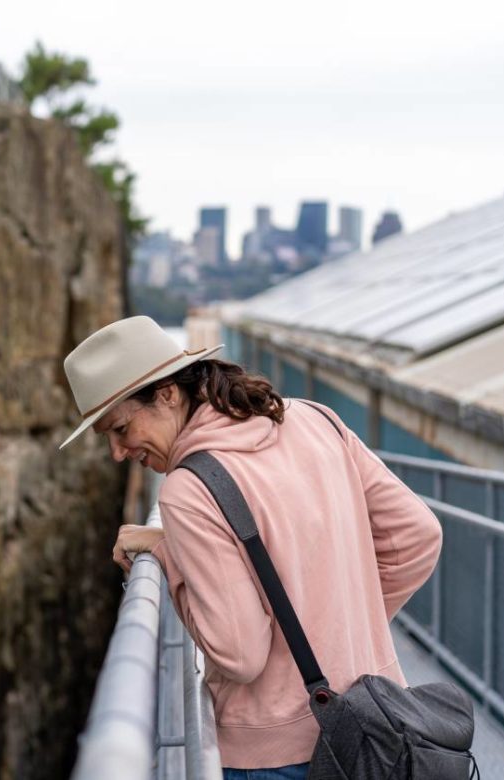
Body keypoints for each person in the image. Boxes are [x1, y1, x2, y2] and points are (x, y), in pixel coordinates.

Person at [60, 316, 442, 780]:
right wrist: (339, 634)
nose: (118, 452)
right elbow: (417, 536)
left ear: (166, 394)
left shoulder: (188, 488)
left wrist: (168, 555)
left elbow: (239, 654)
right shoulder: (315, 420)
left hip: (277, 757)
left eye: (120, 429)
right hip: (376, 728)